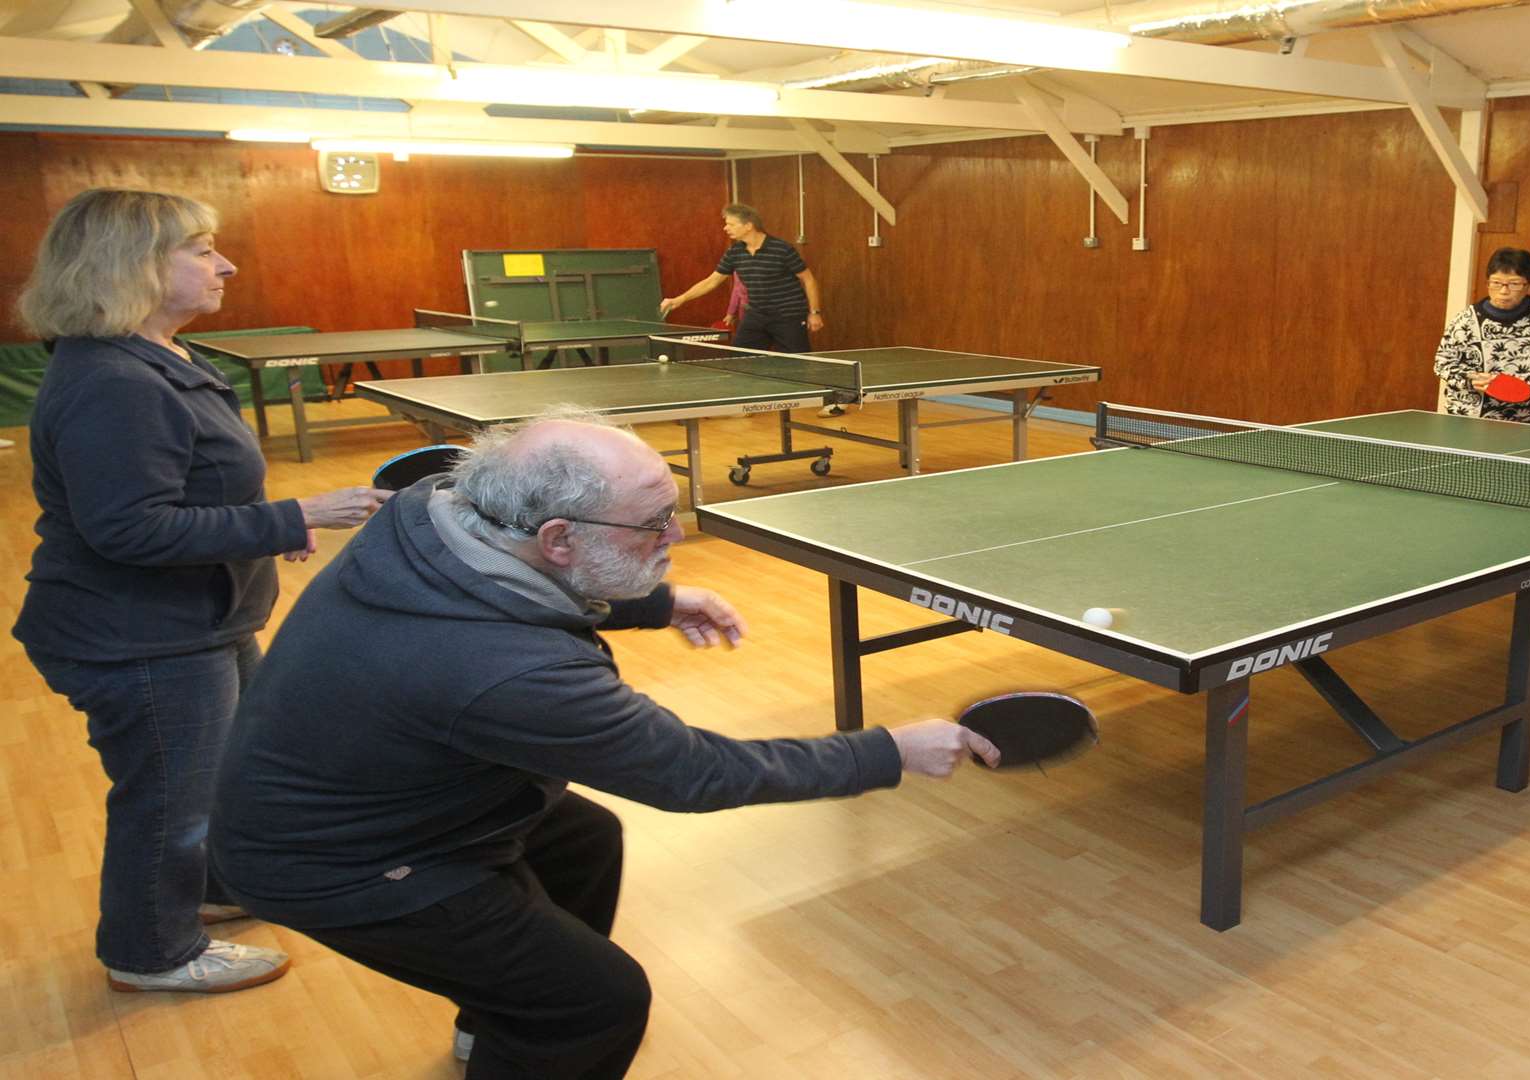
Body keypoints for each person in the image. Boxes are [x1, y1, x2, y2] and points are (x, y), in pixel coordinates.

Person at [209, 414, 1000, 1079]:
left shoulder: (433, 512)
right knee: (597, 1001)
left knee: (585, 840)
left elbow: (511, 586)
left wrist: (651, 603)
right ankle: (536, 1023)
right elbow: (694, 773)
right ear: (556, 535)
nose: (676, 533)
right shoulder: (500, 669)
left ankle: (499, 1023)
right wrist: (888, 751)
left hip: (366, 793)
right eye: (653, 522)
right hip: (333, 860)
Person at [10, 189, 391, 993]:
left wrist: (265, 522)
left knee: (227, 772)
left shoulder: (161, 357)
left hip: (197, 620)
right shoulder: (114, 380)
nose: (227, 264)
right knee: (170, 802)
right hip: (138, 636)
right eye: (202, 249)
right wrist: (292, 515)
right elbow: (131, 529)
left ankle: (212, 892)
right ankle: (151, 952)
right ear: (135, 267)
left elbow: (182, 491)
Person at [659, 204, 844, 416]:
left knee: (799, 362)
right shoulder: (735, 252)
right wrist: (680, 299)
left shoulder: (781, 249)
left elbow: (808, 279)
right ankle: (745, 405)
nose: (726, 228)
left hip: (788, 313)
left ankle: (838, 398)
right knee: (741, 358)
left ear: (748, 226)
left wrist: (815, 312)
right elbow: (712, 281)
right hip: (756, 314)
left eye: (730, 224)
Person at [1434, 247, 1530, 423]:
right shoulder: (1466, 321)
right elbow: (1443, 362)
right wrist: (1470, 379)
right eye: (1496, 283)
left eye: (1514, 284)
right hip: (1473, 420)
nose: (1503, 291)